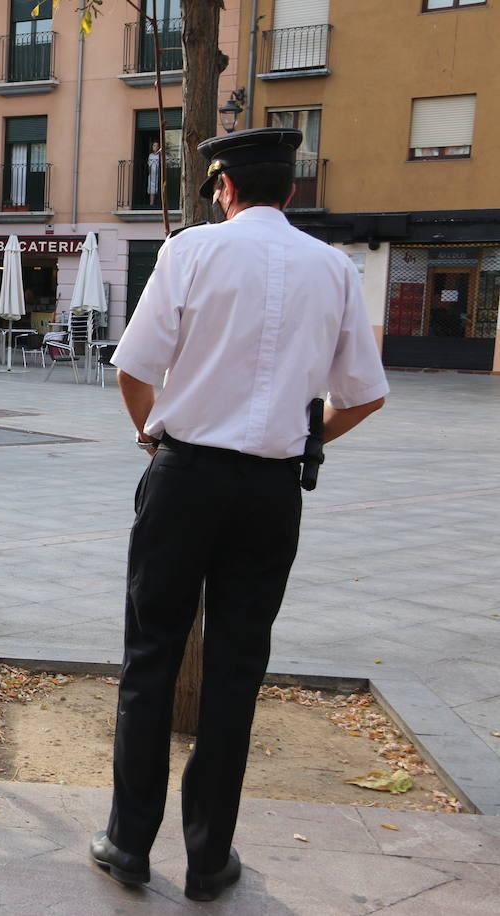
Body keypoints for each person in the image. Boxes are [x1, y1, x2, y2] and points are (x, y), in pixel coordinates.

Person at [91, 127, 389, 902]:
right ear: (292, 190)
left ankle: (127, 843)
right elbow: (365, 392)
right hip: (271, 490)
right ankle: (208, 858)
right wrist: (301, 438)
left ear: (223, 188)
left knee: (151, 656)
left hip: (184, 475)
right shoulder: (335, 269)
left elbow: (133, 366)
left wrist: (150, 436)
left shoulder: (190, 252)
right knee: (236, 668)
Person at [146, 141, 162, 207]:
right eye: (154, 146)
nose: (155, 147)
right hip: (151, 174)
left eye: (157, 146)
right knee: (151, 189)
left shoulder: (160, 155)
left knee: (158, 188)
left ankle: (158, 204)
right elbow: (149, 164)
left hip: (158, 174)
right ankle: (151, 204)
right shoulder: (151, 155)